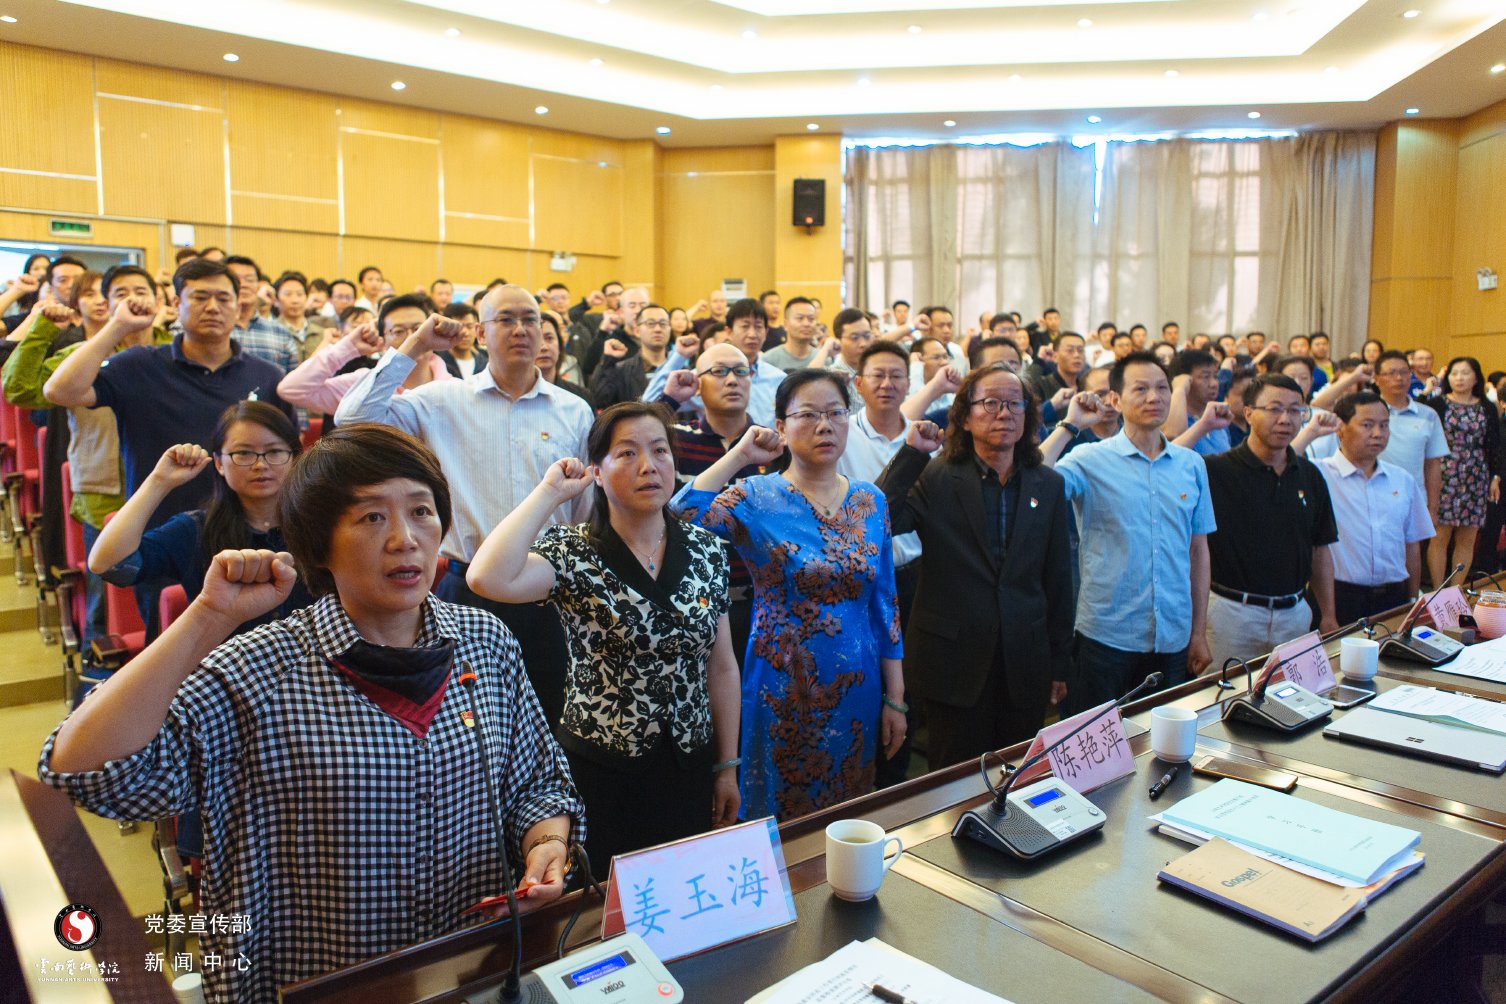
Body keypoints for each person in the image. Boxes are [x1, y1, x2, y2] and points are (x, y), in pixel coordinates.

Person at [39, 423, 583, 1004]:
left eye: (422, 512)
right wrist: (208, 618)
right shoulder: (260, 669)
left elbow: (537, 781)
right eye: (372, 517)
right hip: (311, 980)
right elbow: (85, 772)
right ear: (319, 544)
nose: (405, 539)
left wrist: (546, 844)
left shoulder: (484, 641)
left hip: (467, 970)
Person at [466, 404, 739, 876]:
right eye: (627, 453)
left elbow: (722, 665)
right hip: (602, 765)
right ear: (596, 471)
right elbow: (487, 577)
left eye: (659, 451)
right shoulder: (572, 551)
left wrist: (726, 766)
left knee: (683, 887)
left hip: (688, 763)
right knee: (604, 899)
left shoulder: (706, 550)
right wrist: (550, 492)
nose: (648, 466)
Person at [336, 288, 593, 728]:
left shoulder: (573, 409)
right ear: (480, 333)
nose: (520, 330)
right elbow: (353, 419)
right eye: (506, 319)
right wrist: (416, 344)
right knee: (466, 722)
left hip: (549, 593)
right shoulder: (442, 400)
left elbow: (584, 510)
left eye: (530, 319)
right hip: (466, 591)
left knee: (551, 720)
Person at [671, 369, 905, 820]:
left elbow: (886, 604)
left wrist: (896, 696)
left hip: (858, 686)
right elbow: (681, 514)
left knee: (848, 813)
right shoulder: (757, 496)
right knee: (780, 815)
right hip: (782, 686)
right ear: (780, 426)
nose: (825, 426)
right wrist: (741, 455)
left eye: (836, 413)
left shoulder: (871, 500)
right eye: (809, 415)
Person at [878, 363, 1073, 769]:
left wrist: (1059, 663)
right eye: (991, 403)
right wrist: (912, 454)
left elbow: (1057, 578)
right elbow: (880, 521)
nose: (1004, 413)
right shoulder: (938, 475)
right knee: (954, 780)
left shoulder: (1047, 484)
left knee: (1018, 776)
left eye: (1014, 404)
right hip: (953, 661)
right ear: (965, 417)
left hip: (1024, 660)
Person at [45, 259, 296, 531]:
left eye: (223, 298)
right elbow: (59, 391)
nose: (213, 307)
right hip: (156, 529)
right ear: (177, 304)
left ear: (237, 307)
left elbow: (289, 455)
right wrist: (117, 327)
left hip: (246, 532)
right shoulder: (140, 364)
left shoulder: (266, 375)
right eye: (200, 297)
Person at [2, 265, 171, 642]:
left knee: (169, 600)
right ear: (108, 305)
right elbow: (19, 389)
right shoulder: (82, 357)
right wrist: (42, 329)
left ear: (158, 300)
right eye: (120, 294)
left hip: (170, 494)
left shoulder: (176, 352)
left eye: (140, 291)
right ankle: (99, 671)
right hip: (103, 492)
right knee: (106, 603)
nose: (132, 300)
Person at [1043, 352, 1216, 712]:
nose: (1155, 398)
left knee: (1160, 739)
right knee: (1094, 740)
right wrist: (1070, 425)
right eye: (1140, 389)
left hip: (1172, 636)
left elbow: (1198, 551)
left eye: (1162, 388)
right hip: (1105, 636)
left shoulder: (1191, 464)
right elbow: (1034, 482)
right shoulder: (1090, 459)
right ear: (1116, 400)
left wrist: (1198, 632)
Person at [88, 400, 315, 630]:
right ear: (218, 463)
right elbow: (108, 564)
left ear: (294, 457)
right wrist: (158, 482)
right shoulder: (195, 530)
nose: (260, 464)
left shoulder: (319, 524)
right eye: (244, 453)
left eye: (274, 451)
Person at [1203, 375, 1339, 668]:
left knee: (1295, 693)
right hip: (1232, 614)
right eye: (1275, 409)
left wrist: (1328, 614)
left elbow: (1320, 549)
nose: (1285, 419)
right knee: (1225, 693)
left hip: (1294, 613)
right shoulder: (1216, 471)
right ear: (1248, 413)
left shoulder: (1309, 475)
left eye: (1295, 410)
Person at [1317, 392, 1434, 623]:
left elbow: (1412, 544)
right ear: (1340, 428)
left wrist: (1412, 600)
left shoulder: (1402, 479)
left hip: (1394, 596)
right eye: (1367, 425)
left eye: (1384, 425)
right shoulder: (1320, 474)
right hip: (1339, 596)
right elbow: (1282, 462)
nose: (1378, 433)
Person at [278, 293, 452, 419]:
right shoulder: (362, 384)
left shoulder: (453, 388)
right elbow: (292, 389)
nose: (412, 338)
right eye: (398, 331)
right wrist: (348, 347)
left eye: (418, 329)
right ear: (383, 341)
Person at [642, 297, 784, 425]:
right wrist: (679, 357)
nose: (752, 334)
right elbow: (648, 405)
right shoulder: (705, 377)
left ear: (766, 332)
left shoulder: (778, 379)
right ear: (729, 332)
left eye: (758, 327)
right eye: (745, 326)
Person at [1423, 356, 1501, 583]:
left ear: (1476, 378)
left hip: (1476, 475)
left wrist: (1495, 476)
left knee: (1467, 538)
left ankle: (1456, 590)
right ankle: (1437, 590)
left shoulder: (1487, 406)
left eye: (1465, 373)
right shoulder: (1438, 404)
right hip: (1443, 473)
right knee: (1440, 536)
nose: (1459, 378)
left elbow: (1495, 445)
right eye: (1454, 373)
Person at [590, 302, 672, 407]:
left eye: (663, 323)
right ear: (637, 331)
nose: (658, 329)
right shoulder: (622, 370)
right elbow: (600, 399)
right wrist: (608, 360)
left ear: (670, 329)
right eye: (650, 323)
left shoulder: (680, 369)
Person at [538, 311, 592, 407]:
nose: (544, 347)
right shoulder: (514, 397)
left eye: (549, 338)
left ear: (560, 345)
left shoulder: (581, 398)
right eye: (536, 339)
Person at [761, 297, 820, 371]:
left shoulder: (823, 358)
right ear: (786, 324)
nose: (806, 324)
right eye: (800, 318)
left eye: (811, 319)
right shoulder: (768, 361)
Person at [437, 301, 488, 379]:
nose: (465, 333)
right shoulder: (437, 361)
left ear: (477, 329)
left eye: (469, 326)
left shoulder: (486, 364)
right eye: (459, 327)